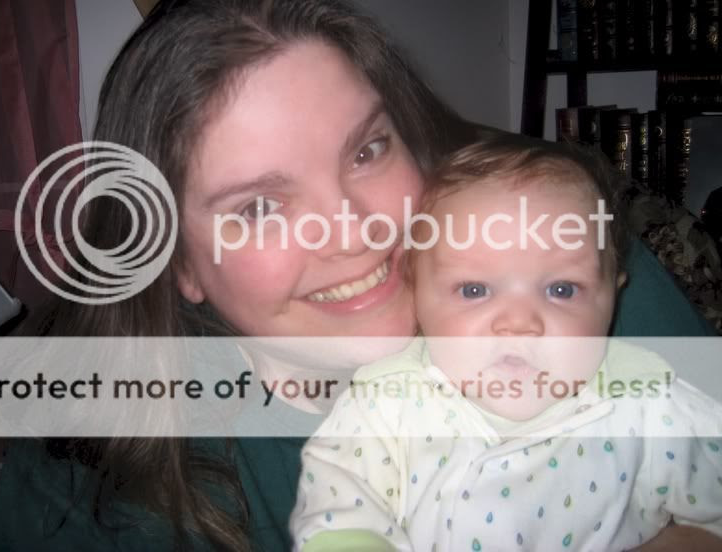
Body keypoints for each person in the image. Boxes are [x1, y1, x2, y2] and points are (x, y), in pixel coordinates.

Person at [0, 0, 719, 552]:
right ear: (180, 264)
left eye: (368, 150)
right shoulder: (88, 474)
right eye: (259, 207)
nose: (355, 231)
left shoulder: (561, 264)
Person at [291, 138, 722, 551]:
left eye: (562, 290)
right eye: (474, 290)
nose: (519, 323)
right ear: (416, 293)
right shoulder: (385, 404)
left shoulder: (649, 403)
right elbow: (340, 511)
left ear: (613, 294)